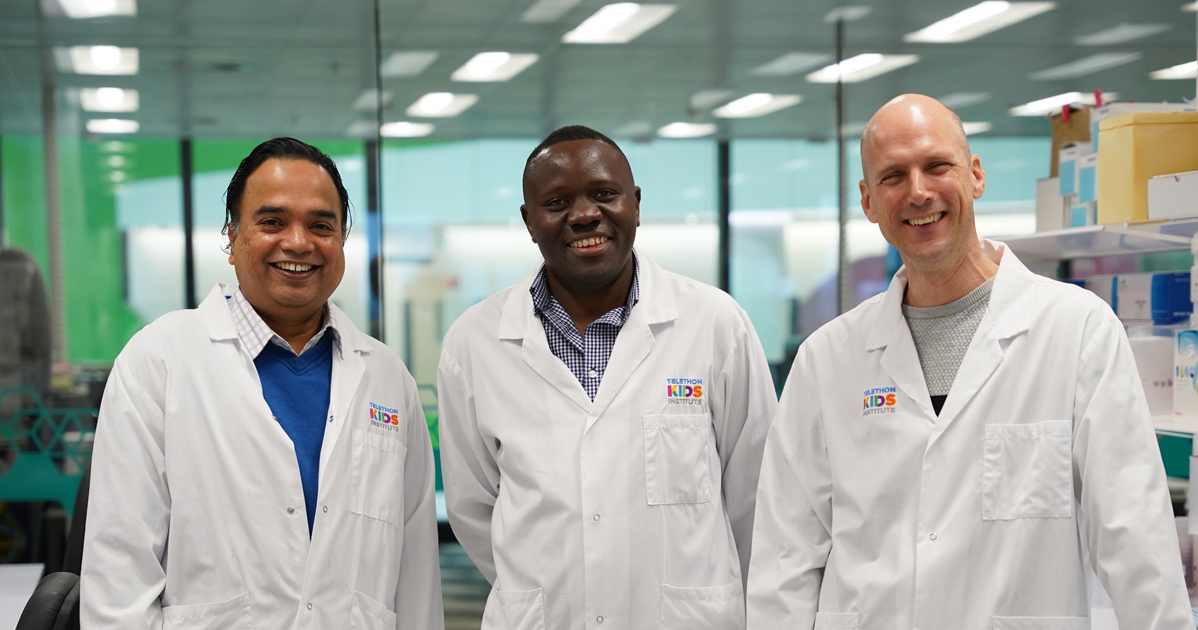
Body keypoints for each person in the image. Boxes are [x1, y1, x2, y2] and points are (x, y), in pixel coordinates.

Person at [746, 94, 1193, 628]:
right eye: (892, 176)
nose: (918, 192)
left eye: (937, 166)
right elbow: (785, 559)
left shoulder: (1077, 330)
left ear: (976, 175)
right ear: (867, 201)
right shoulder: (827, 360)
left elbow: (1135, 537)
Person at [81, 137, 443, 629]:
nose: (298, 243)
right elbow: (118, 571)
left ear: (341, 242)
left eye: (321, 225)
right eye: (271, 222)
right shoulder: (158, 361)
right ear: (231, 236)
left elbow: (416, 570)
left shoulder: (386, 377)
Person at [438, 125, 776, 629]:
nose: (584, 215)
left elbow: (757, 495)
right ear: (530, 222)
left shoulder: (715, 323)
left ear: (635, 204)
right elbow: (472, 509)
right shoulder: (475, 342)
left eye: (604, 194)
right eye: (557, 202)